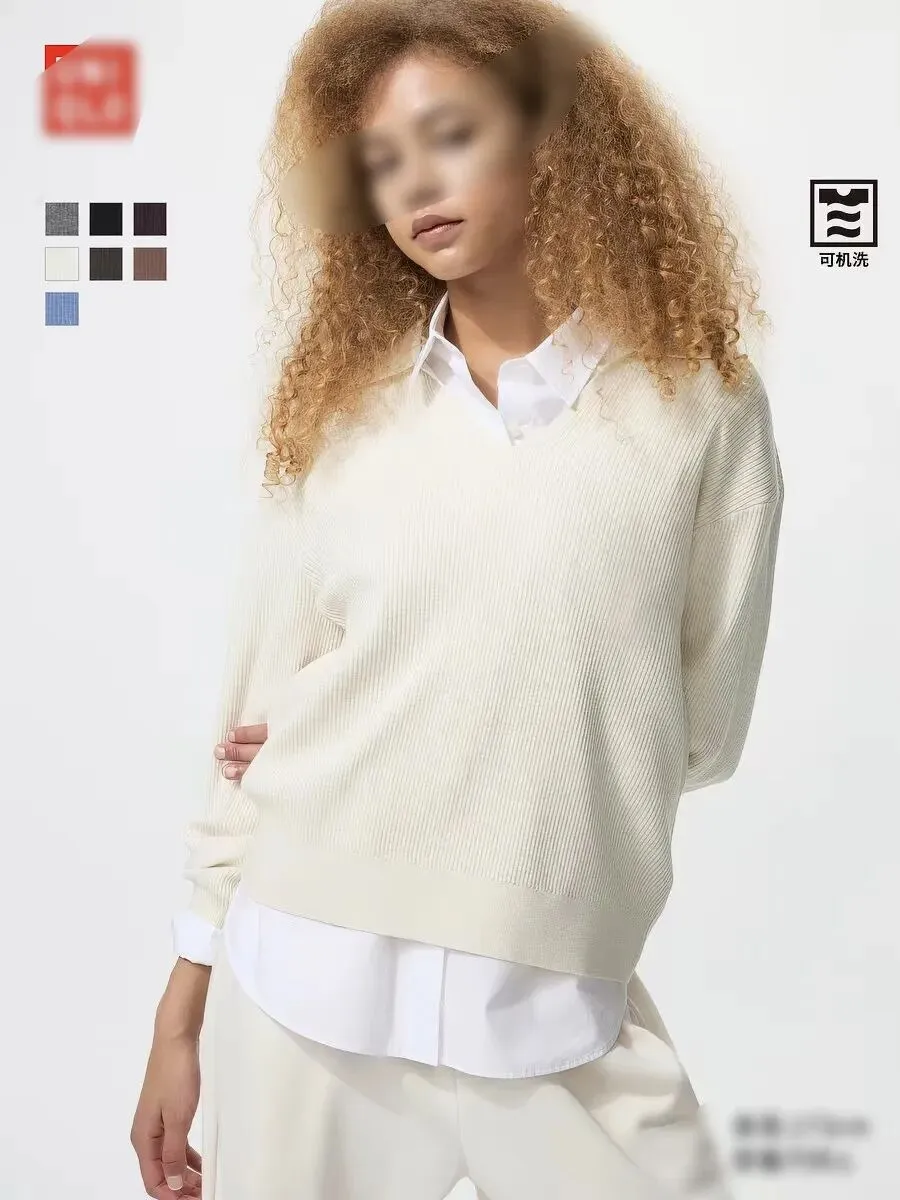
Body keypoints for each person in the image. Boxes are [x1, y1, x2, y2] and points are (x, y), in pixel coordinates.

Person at [130, 0, 785, 1196]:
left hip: (548, 1000)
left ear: (548, 139)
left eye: (450, 134)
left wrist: (437, 731)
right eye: (382, 160)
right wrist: (180, 1018)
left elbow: (700, 726)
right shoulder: (342, 421)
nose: (416, 184)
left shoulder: (700, 405)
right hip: (301, 990)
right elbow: (249, 730)